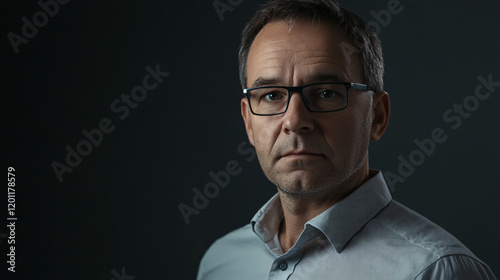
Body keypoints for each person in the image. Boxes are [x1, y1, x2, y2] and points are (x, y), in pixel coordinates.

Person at [196, 0, 497, 279]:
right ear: (248, 121)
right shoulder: (220, 262)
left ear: (376, 116)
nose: (295, 121)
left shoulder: (437, 271)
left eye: (327, 93)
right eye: (272, 95)